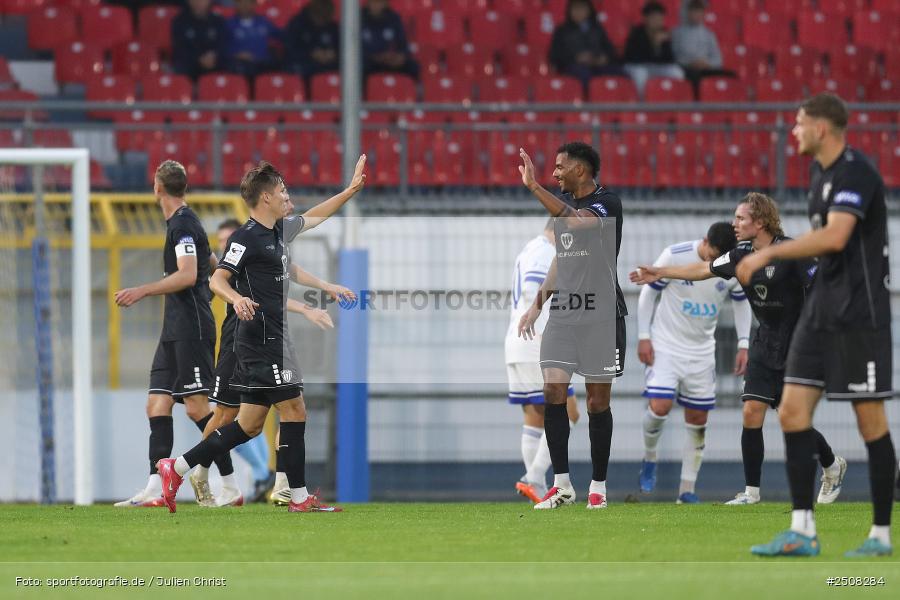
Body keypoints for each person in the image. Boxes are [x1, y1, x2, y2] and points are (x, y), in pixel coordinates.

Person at [155, 155, 367, 514]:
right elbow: (217, 279)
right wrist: (237, 299)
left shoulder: (278, 232)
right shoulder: (245, 237)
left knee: (249, 425)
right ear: (266, 197)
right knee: (295, 409)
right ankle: (298, 497)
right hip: (262, 341)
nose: (287, 196)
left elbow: (316, 216)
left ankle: (175, 468)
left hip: (272, 339)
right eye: (282, 191)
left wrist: (349, 191)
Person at [735, 94, 894, 557]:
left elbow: (836, 236)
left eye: (800, 123)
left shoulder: (856, 173)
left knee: (870, 420)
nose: (794, 131)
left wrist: (768, 253)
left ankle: (881, 535)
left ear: (821, 128)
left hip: (859, 316)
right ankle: (802, 530)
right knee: (791, 411)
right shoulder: (819, 176)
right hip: (820, 313)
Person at [631, 193, 847, 506]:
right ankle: (751, 493)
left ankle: (831, 465)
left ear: (760, 222)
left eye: (741, 218)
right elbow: (704, 269)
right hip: (765, 341)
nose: (734, 224)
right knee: (751, 411)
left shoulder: (791, 252)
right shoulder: (740, 254)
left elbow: (822, 288)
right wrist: (661, 272)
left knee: (791, 417)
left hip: (797, 344)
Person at [113, 160, 236, 508]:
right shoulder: (185, 223)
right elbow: (212, 262)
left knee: (197, 408)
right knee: (157, 403)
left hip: (190, 328)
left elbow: (187, 274)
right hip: (175, 327)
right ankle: (154, 487)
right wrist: (218, 286)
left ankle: (230, 485)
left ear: (157, 188)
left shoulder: (182, 224)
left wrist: (142, 290)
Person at [204, 217, 348, 504]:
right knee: (230, 417)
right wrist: (306, 307)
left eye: (227, 241)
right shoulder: (235, 261)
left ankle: (279, 481)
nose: (225, 246)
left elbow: (282, 279)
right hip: (240, 343)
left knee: (282, 410)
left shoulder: (261, 244)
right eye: (221, 242)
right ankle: (198, 471)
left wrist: (314, 297)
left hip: (267, 340)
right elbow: (224, 285)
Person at [517, 142, 627, 510]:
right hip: (564, 313)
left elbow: (579, 224)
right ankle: (561, 484)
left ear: (580, 170)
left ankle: (598, 486)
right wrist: (536, 307)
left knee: (597, 402)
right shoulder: (566, 209)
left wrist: (534, 187)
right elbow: (560, 262)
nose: (554, 174)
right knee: (552, 390)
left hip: (601, 315)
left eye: (560, 167)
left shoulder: (607, 203)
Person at [632, 222, 750, 503]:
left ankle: (686, 490)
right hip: (666, 346)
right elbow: (649, 292)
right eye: (712, 256)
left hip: (701, 352)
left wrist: (744, 343)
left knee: (698, 419)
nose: (714, 264)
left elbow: (741, 301)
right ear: (705, 241)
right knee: (660, 406)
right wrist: (644, 336)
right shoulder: (675, 255)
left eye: (719, 259)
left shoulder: (731, 265)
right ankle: (650, 457)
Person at [505, 219, 580, 503]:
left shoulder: (529, 248)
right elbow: (532, 288)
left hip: (516, 342)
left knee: (536, 416)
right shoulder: (546, 251)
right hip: (535, 340)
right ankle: (533, 477)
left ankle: (536, 485)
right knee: (570, 413)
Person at [548, 0, 626, 87]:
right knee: (584, 75)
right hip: (573, 67)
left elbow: (610, 51)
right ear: (569, 11)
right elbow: (555, 56)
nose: (579, 12)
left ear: (589, 10)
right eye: (575, 9)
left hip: (597, 65)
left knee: (620, 73)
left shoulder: (597, 28)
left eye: (582, 8)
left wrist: (604, 58)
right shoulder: (562, 30)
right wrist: (576, 58)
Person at [671, 0, 733, 98]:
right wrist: (691, 63)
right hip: (687, 69)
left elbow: (718, 58)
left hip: (706, 68)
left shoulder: (709, 34)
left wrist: (707, 64)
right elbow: (674, 56)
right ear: (688, 13)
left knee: (730, 75)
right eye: (693, 11)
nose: (696, 15)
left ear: (703, 14)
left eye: (699, 11)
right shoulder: (677, 33)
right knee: (694, 77)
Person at [622, 1, 683, 98]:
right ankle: (643, 103)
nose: (657, 21)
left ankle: (675, 100)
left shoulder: (664, 32)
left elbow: (670, 60)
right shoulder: (637, 32)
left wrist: (659, 46)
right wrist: (654, 44)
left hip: (655, 67)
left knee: (677, 72)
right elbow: (633, 57)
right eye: (654, 18)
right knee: (640, 74)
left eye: (660, 18)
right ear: (646, 18)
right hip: (636, 66)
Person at [361, 0, 419, 80]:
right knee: (361, 66)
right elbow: (356, 50)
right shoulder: (359, 19)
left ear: (386, 3)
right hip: (370, 62)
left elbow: (403, 45)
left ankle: (413, 87)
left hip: (390, 61)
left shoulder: (394, 18)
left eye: (379, 2)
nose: (376, 5)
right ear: (368, 2)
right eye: (373, 2)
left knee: (412, 66)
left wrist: (400, 57)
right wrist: (377, 57)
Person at [171, 0, 228, 80]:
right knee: (180, 68)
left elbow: (223, 45)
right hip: (190, 63)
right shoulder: (179, 21)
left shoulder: (218, 21)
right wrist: (199, 59)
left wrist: (214, 55)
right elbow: (180, 49)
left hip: (214, 62)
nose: (198, 2)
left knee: (230, 66)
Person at [225, 0, 282, 79]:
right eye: (241, 2)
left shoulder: (264, 22)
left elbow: (282, 36)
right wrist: (236, 55)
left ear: (254, 5)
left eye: (248, 2)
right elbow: (221, 48)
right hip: (240, 67)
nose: (245, 5)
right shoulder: (228, 25)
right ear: (236, 4)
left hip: (264, 65)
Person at [285, 0, 339, 80]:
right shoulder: (297, 24)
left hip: (328, 65)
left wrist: (332, 54)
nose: (321, 22)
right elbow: (290, 49)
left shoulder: (333, 27)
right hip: (304, 64)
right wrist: (311, 53)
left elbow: (340, 48)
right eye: (319, 17)